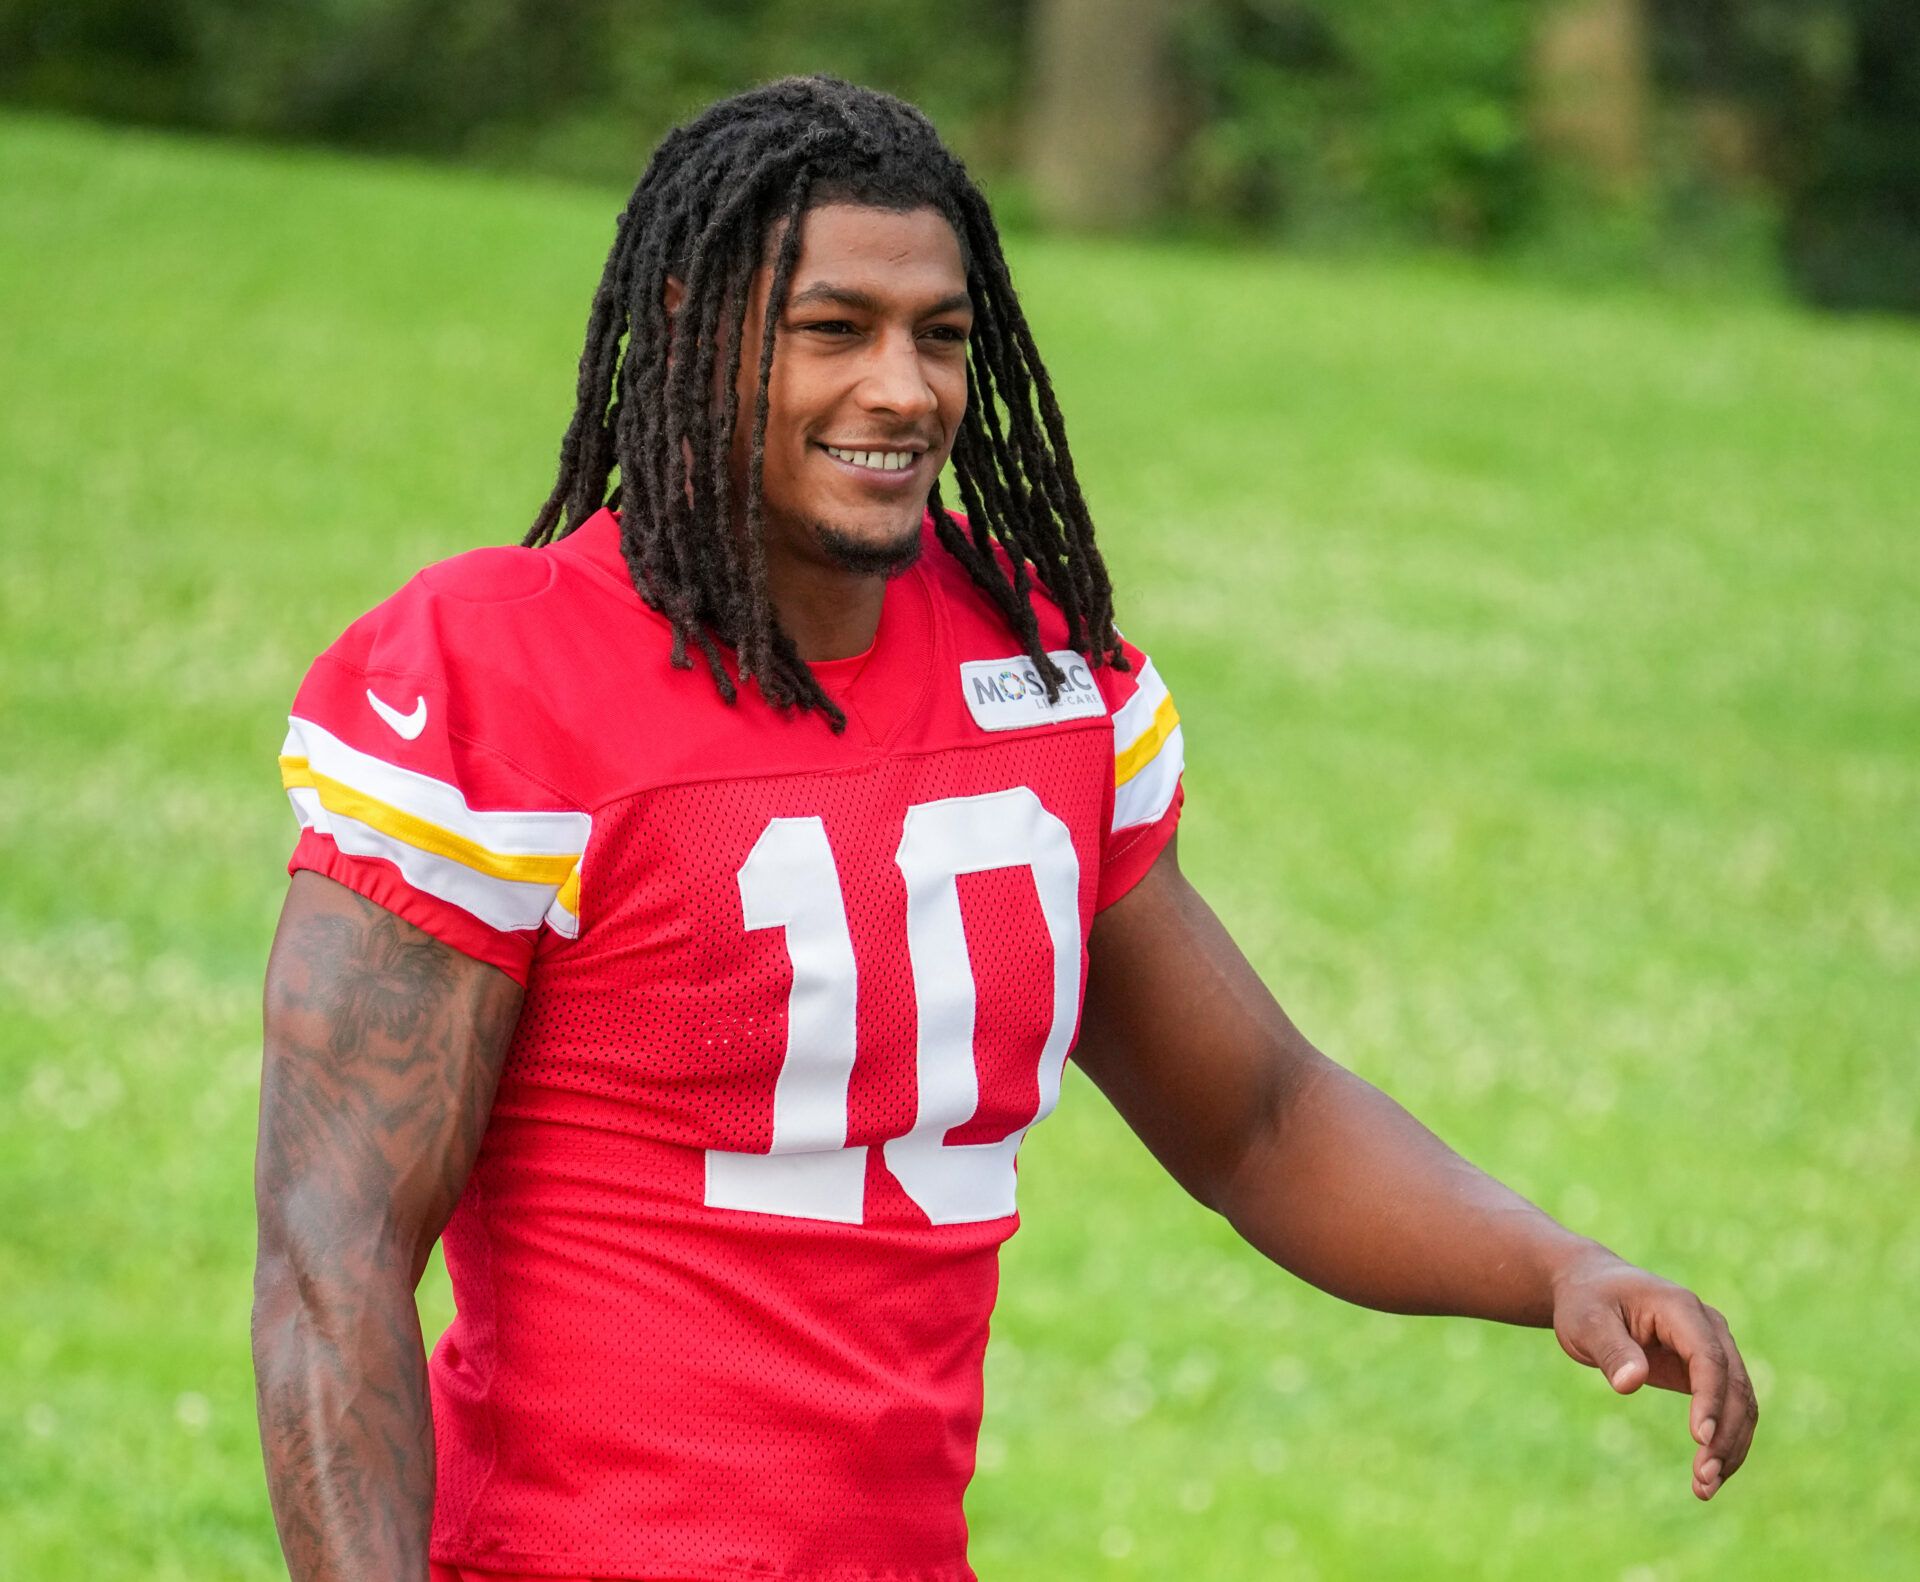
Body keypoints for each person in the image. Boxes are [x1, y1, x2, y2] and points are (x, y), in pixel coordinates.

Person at [252, 75, 1757, 1582]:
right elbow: (334, 1259)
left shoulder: (1036, 673)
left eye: (941, 334)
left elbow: (1260, 1118)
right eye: (834, 328)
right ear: (693, 326)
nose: (903, 388)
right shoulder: (497, 675)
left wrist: (1560, 1266)